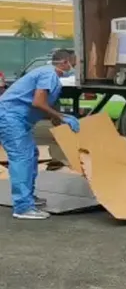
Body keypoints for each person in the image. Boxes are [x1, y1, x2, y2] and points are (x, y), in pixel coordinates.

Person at [0, 49, 80, 220]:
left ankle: (28, 197)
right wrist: (61, 117)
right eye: (74, 63)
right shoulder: (49, 75)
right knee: (22, 158)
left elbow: (45, 103)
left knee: (31, 155)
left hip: (17, 119)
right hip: (10, 118)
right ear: (64, 62)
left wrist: (57, 118)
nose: (75, 66)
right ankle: (23, 207)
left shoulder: (49, 75)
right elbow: (38, 102)